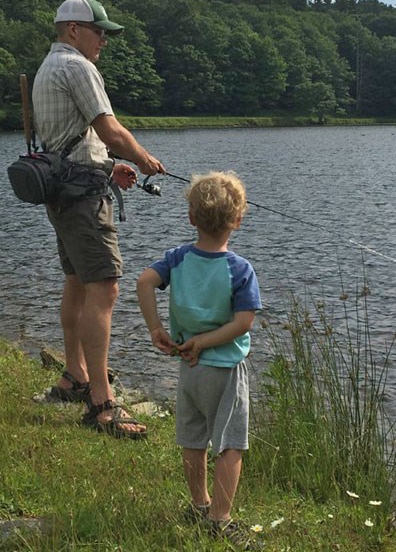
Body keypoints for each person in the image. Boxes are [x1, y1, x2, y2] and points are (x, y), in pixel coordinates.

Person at [32, 0, 166, 439]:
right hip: (82, 198)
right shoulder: (77, 66)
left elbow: (72, 140)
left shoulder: (49, 66)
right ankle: (102, 405)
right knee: (105, 285)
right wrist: (144, 157)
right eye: (99, 32)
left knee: (77, 281)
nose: (104, 41)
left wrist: (110, 167)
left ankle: (75, 376)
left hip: (64, 190)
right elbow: (108, 130)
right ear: (73, 29)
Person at [136, 171, 262, 544]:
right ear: (237, 221)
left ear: (191, 217)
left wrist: (155, 329)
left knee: (193, 439)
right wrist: (208, 342)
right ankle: (220, 519)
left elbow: (144, 282)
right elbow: (244, 322)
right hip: (223, 370)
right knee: (230, 443)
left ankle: (198, 505)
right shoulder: (240, 269)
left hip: (187, 367)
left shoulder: (177, 259)